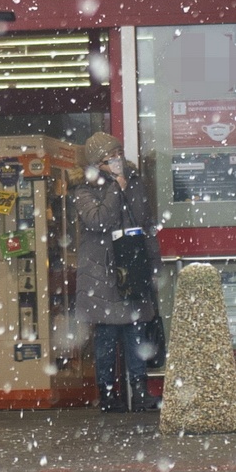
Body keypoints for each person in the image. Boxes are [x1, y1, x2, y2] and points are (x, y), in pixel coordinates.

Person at [72, 132, 162, 413]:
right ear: (97, 162)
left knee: (136, 331)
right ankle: (109, 395)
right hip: (101, 272)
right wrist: (115, 186)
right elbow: (100, 221)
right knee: (107, 335)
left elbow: (145, 221)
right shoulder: (83, 190)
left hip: (131, 266)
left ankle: (140, 391)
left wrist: (152, 263)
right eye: (110, 156)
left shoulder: (135, 182)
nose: (117, 159)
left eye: (118, 153)